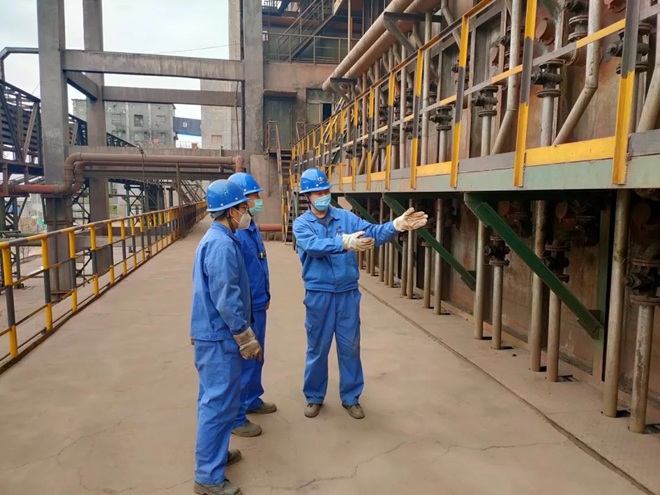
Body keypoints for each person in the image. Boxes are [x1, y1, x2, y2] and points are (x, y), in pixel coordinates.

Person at [292, 168, 428, 420]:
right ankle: (314, 396)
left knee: (350, 347)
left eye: (325, 191)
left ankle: (351, 397)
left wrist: (396, 225)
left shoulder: (345, 217)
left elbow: (372, 233)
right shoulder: (301, 224)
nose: (322, 195)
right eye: (317, 192)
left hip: (347, 293)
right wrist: (344, 242)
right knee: (317, 348)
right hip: (319, 293)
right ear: (307, 196)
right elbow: (312, 247)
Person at [190, 179, 263, 495]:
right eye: (244, 206)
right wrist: (244, 335)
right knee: (218, 404)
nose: (247, 211)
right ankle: (208, 478)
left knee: (215, 400)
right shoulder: (221, 245)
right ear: (232, 211)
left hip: (214, 335)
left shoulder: (221, 238)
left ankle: (216, 456)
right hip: (219, 337)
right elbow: (226, 297)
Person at [227, 172, 276, 439]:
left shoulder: (251, 227)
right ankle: (237, 417)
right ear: (240, 201)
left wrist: (264, 297)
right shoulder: (235, 234)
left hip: (258, 303)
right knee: (244, 361)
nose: (258, 201)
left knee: (258, 356)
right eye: (254, 196)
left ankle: (253, 398)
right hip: (246, 308)